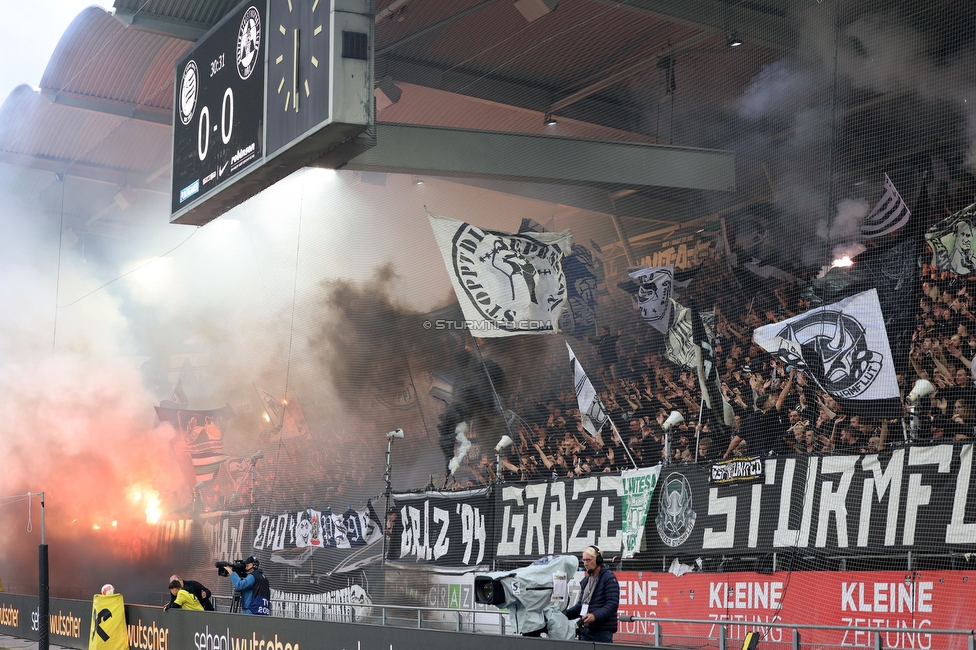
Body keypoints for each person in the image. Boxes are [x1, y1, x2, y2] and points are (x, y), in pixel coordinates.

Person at [565, 546, 619, 643]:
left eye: (588, 560)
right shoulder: (586, 581)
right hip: (586, 630)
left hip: (602, 632)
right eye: (584, 560)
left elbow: (612, 604)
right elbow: (580, 606)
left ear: (598, 560)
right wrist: (564, 614)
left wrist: (595, 616)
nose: (585, 564)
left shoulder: (609, 577)